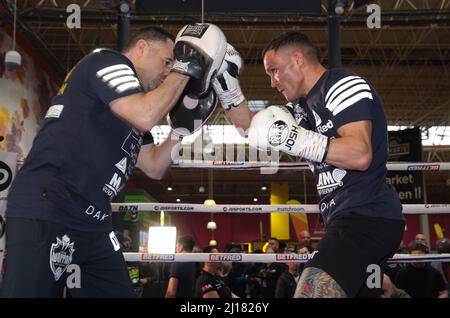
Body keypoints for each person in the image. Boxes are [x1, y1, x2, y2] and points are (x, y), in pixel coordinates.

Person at [0, 24, 227, 297]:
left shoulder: (131, 107)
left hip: (93, 222)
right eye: (166, 62)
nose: (168, 71)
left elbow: (154, 166)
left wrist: (181, 131)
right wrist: (186, 68)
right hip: (49, 205)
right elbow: (146, 115)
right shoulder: (108, 61)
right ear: (141, 48)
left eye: (173, 65)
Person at [212, 32, 405, 298]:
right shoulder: (300, 109)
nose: (272, 82)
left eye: (274, 71)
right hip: (345, 219)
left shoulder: (342, 84)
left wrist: (295, 138)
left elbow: (360, 154)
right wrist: (226, 83)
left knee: (310, 291)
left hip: (367, 217)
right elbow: (251, 130)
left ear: (298, 59)